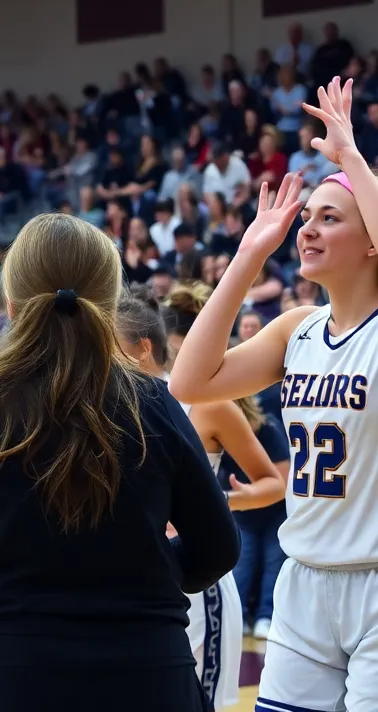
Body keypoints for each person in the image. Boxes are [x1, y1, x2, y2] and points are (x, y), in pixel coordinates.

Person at [170, 78, 378, 712]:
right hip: (306, 579)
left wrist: (353, 162)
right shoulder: (296, 328)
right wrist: (250, 254)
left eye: (327, 218)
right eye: (305, 218)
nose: (306, 230)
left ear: (373, 241)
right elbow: (189, 382)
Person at [0, 213, 239, 712]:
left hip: (10, 674)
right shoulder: (156, 403)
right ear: (109, 304)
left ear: (11, 303)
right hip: (146, 671)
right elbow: (216, 550)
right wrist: (148, 563)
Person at [115, 286, 284, 710]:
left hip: (196, 579)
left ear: (141, 349)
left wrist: (219, 501)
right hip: (132, 580)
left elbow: (274, 481)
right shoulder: (103, 406)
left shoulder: (205, 403)